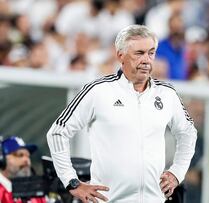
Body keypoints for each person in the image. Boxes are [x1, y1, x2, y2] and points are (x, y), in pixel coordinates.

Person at [46, 24, 197, 203]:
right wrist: (72, 182)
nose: (147, 60)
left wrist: (177, 172)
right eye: (139, 53)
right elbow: (57, 132)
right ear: (120, 56)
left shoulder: (167, 93)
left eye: (151, 53)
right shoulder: (98, 91)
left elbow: (188, 132)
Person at [0, 136, 46, 203]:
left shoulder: (37, 193)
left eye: (28, 156)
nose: (26, 160)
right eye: (20, 155)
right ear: (2, 160)